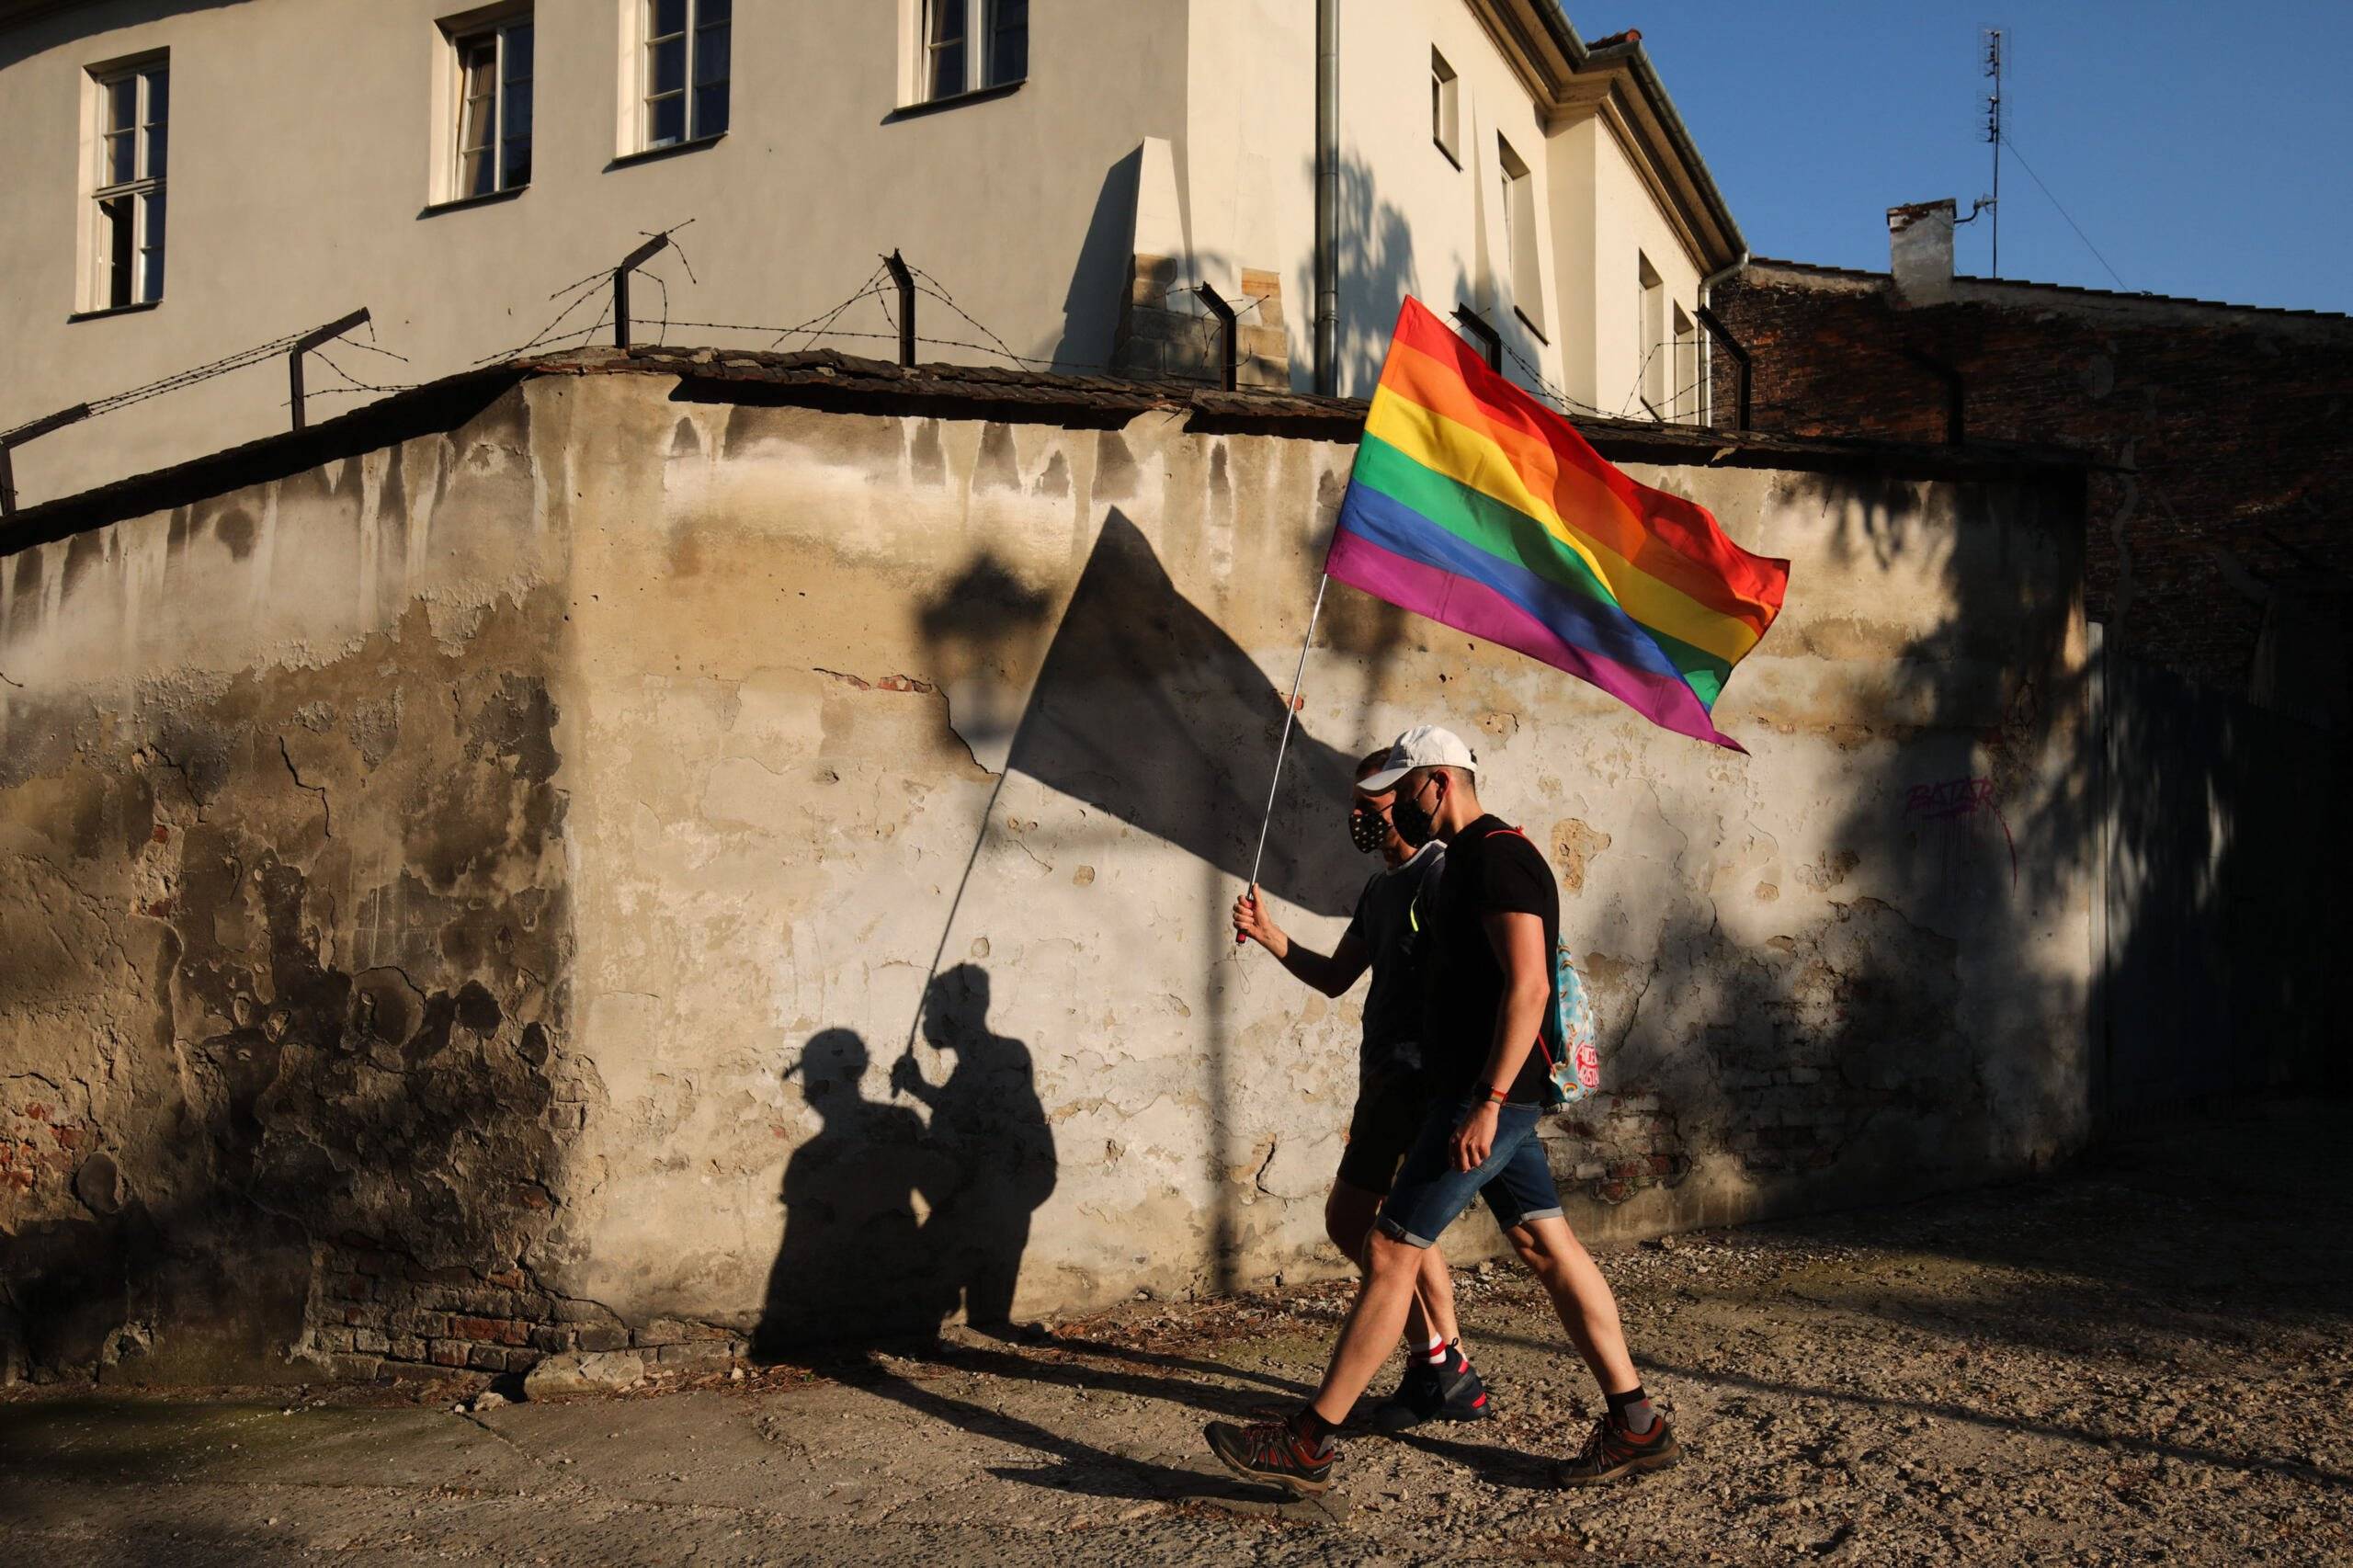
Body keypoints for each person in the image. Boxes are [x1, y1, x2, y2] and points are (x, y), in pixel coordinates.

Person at [1207, 725, 1679, 1494]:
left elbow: (1529, 987)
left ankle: (1309, 1443)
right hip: (1483, 1095)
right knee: (1546, 1248)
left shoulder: (1497, 857)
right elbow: (1369, 977)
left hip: (1487, 1097)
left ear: (1440, 781)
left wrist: (1488, 1103)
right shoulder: (1465, 862)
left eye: (1404, 788)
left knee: (1392, 1251)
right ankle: (1637, 1426)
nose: (1395, 808)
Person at [1231, 749, 1492, 1430]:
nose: (1357, 818)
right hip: (1383, 1077)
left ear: (1407, 799)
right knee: (1409, 1230)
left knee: (1356, 1222)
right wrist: (1269, 935)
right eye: (1355, 806)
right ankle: (1442, 1366)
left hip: (1419, 1081)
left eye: (1368, 807)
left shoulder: (1440, 876)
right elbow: (1338, 976)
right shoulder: (1381, 890)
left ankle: (1437, 1361)